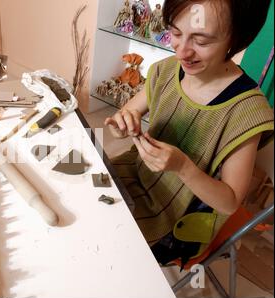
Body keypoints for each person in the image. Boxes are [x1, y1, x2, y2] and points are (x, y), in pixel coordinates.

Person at [104, 0, 274, 266]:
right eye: (176, 32)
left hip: (180, 219)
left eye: (201, 41)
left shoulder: (247, 112)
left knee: (104, 244)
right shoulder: (166, 70)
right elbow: (119, 123)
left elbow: (229, 203)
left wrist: (183, 166)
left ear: (236, 38)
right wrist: (121, 125)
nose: (182, 51)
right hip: (137, 175)